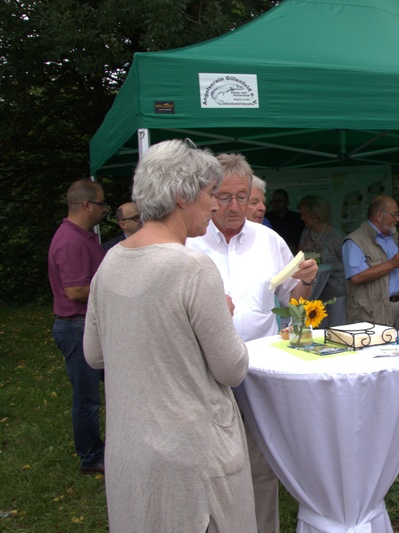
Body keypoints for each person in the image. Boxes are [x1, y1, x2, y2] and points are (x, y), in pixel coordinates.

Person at [83, 139, 256, 532]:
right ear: (182, 195)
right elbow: (232, 369)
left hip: (131, 449)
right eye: (210, 194)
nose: (214, 206)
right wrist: (223, 317)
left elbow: (94, 353)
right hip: (194, 458)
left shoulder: (110, 262)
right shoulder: (193, 268)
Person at [186, 152, 318, 533]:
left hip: (258, 372)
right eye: (224, 197)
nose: (234, 206)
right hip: (206, 375)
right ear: (208, 195)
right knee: (211, 469)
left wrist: (306, 281)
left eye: (242, 197)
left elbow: (293, 302)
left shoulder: (269, 240)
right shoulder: (189, 242)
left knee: (261, 467)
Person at [48, 178, 107, 474]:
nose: (104, 209)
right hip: (76, 327)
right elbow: (74, 290)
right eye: (101, 204)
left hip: (87, 324)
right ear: (86, 205)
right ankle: (91, 456)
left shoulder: (84, 236)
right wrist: (114, 289)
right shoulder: (71, 241)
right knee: (86, 398)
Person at [343, 195, 399, 330]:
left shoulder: (394, 236)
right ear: (379, 215)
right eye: (394, 214)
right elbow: (356, 277)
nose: (398, 219)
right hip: (375, 310)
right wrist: (391, 264)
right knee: (379, 344)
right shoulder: (355, 241)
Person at [297, 195, 346, 327]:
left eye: (305, 214)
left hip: (335, 291)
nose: (302, 218)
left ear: (315, 215)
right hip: (315, 290)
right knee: (319, 329)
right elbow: (298, 257)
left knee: (337, 328)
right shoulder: (306, 233)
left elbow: (346, 261)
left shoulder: (335, 235)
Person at [265, 188, 304, 253]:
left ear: (287, 202)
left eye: (279, 201)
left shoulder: (297, 218)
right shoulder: (267, 218)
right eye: (274, 201)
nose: (276, 204)